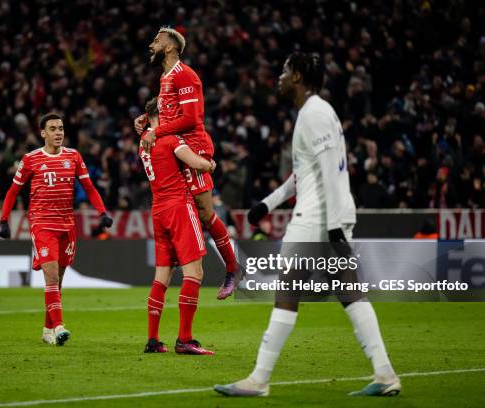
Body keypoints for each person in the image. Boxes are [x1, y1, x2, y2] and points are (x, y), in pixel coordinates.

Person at [215, 52, 400, 397]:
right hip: (328, 214)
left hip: (317, 217)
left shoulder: (313, 114)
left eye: (285, 71)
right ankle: (386, 374)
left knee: (287, 292)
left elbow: (330, 168)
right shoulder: (316, 113)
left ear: (298, 76)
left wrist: (331, 227)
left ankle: (259, 379)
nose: (280, 77)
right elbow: (304, 175)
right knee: (351, 294)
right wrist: (266, 205)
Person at [134, 27, 238, 300]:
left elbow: (191, 118)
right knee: (184, 209)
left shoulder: (186, 75)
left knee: (204, 212)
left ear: (170, 47)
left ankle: (232, 268)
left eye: (156, 40)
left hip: (194, 147)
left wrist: (157, 132)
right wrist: (147, 119)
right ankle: (187, 260)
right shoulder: (165, 77)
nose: (151, 44)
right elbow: (168, 109)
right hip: (177, 148)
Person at [0, 113, 113, 346]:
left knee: (57, 282)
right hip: (42, 224)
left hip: (66, 225)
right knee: (50, 276)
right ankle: (60, 326)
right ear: (43, 133)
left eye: (61, 128)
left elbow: (89, 187)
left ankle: (47, 329)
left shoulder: (73, 156)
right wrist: (4, 220)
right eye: (53, 129)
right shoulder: (30, 159)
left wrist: (102, 212)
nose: (58, 132)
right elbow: (12, 191)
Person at [141, 97, 215, 355]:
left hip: (158, 210)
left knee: (162, 276)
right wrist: (209, 164)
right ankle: (185, 339)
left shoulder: (144, 143)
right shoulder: (171, 139)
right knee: (194, 273)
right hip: (179, 208)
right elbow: (196, 162)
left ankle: (153, 339)